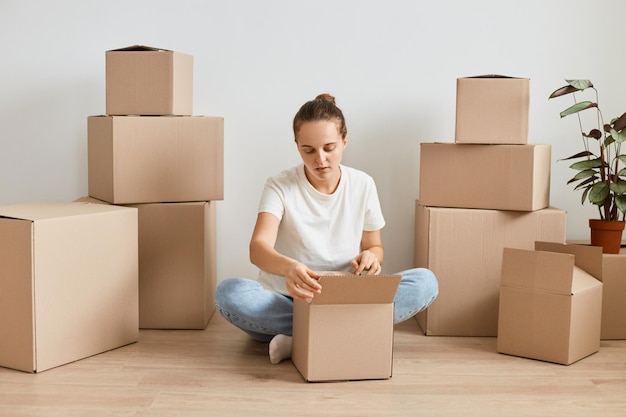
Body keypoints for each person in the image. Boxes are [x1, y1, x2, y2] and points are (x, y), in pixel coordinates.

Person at [214, 93, 438, 364]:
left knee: (426, 281)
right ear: (297, 146)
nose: (320, 159)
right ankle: (342, 334)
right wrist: (289, 269)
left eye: (329, 148)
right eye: (308, 150)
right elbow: (258, 248)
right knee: (229, 293)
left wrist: (371, 258)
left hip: (345, 297)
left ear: (344, 141)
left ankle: (299, 340)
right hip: (289, 298)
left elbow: (375, 247)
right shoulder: (279, 185)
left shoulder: (363, 184)